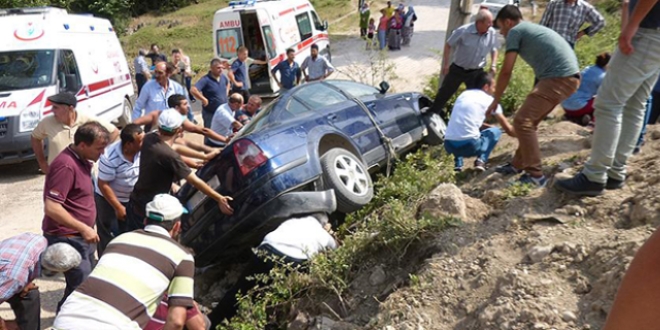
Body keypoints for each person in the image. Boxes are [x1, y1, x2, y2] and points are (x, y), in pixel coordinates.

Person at [555, 0, 660, 196]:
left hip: (646, 32)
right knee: (635, 103)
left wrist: (632, 24)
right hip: (654, 34)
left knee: (608, 104)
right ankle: (614, 172)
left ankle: (594, 176)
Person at [52, 194, 198, 330]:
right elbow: (177, 321)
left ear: (146, 221)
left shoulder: (119, 240)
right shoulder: (182, 257)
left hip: (66, 319)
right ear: (177, 226)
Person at [487, 5, 580, 187]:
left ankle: (535, 174)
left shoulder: (516, 31)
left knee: (522, 122)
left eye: (502, 29)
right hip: (567, 77)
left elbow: (506, 71)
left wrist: (495, 101)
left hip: (558, 78)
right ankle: (517, 164)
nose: (503, 34)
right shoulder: (531, 28)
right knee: (530, 122)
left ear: (508, 22)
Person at [208, 213, 338, 327]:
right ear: (324, 223)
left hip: (267, 250)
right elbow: (336, 250)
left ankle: (211, 323)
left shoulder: (291, 221)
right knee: (276, 301)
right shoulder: (322, 233)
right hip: (293, 261)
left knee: (240, 291)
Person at [126, 109, 233, 232]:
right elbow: (195, 181)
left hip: (136, 202)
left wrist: (204, 156)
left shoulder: (150, 138)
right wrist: (219, 198)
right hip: (150, 210)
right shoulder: (169, 156)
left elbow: (174, 147)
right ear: (179, 130)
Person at [42, 122, 111, 310]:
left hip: (82, 237)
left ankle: (64, 317)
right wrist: (83, 228)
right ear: (83, 145)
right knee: (84, 289)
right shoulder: (66, 166)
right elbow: (52, 207)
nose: (102, 153)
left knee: (79, 286)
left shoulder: (82, 160)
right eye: (99, 148)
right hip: (68, 237)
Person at [428, 9, 500, 119]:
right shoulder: (463, 31)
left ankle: (475, 119)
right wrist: (446, 65)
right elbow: (448, 45)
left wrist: (493, 64)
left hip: (476, 72)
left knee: (477, 98)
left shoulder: (491, 33)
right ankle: (432, 115)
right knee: (444, 93)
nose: (491, 25)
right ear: (479, 22)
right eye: (488, 22)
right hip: (458, 69)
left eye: (491, 22)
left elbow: (494, 49)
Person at [0, 235, 81, 330]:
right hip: (10, 275)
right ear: (52, 271)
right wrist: (4, 325)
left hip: (8, 270)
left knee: (30, 294)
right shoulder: (15, 277)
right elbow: (14, 274)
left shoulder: (40, 241)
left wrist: (25, 280)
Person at [31, 92, 118, 174]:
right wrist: (42, 163)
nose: (52, 111)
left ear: (70, 109)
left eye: (56, 107)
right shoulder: (47, 122)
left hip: (84, 175)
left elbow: (114, 132)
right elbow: (35, 137)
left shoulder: (87, 120)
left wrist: (98, 151)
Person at [445, 72, 516, 172]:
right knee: (496, 131)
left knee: (458, 130)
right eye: (494, 87)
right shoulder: (490, 100)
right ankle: (481, 161)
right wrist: (524, 134)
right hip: (470, 146)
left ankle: (458, 165)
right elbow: (508, 129)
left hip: (449, 146)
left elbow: (466, 122)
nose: (494, 90)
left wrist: (486, 126)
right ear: (486, 87)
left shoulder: (463, 95)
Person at [94, 124, 144, 256]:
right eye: (140, 141)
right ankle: (105, 263)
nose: (144, 143)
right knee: (108, 233)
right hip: (107, 199)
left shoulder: (142, 150)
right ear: (128, 144)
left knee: (130, 232)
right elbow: (103, 184)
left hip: (131, 198)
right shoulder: (109, 156)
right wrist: (118, 207)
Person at [561, 52, 611, 126]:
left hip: (565, 105)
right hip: (579, 108)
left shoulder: (587, 68)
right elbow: (606, 95)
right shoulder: (602, 77)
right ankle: (593, 122)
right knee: (604, 101)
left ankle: (574, 117)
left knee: (589, 98)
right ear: (608, 64)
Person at [539, 0, 605, 48]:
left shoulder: (584, 7)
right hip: (551, 41)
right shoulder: (554, 3)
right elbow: (543, 24)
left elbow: (600, 22)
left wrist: (583, 32)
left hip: (568, 45)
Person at [191, 59, 231, 128]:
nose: (221, 70)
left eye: (222, 68)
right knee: (210, 133)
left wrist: (226, 93)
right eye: (218, 68)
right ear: (212, 68)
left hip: (223, 111)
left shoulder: (223, 77)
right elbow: (193, 90)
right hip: (210, 113)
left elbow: (228, 84)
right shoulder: (205, 79)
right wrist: (203, 99)